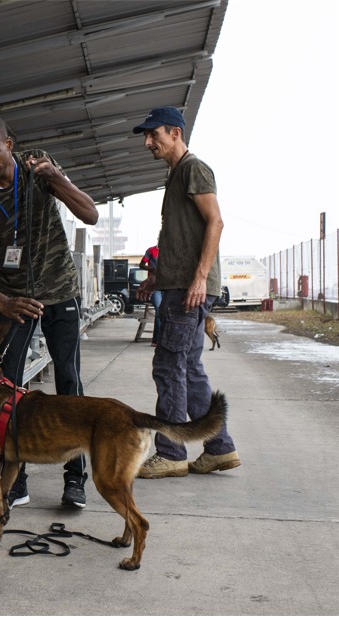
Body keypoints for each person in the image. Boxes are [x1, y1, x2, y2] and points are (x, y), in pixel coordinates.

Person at [0, 114, 99, 508]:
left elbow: (90, 215)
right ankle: (15, 483)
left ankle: (76, 479)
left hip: (61, 293)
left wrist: (56, 179)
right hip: (15, 302)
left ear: (10, 145)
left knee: (69, 385)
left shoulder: (39, 166)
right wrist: (2, 302)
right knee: (7, 389)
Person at [132, 106, 240, 478]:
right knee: (189, 367)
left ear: (175, 133)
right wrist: (156, 276)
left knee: (169, 366)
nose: (149, 143)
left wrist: (199, 278)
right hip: (177, 285)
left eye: (154, 135)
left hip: (188, 290)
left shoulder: (194, 168)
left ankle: (172, 451)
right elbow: (178, 237)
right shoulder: (176, 175)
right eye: (146, 137)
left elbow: (216, 221)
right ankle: (219, 448)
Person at [139, 245, 162, 346]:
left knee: (167, 311)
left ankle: (164, 339)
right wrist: (153, 269)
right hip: (154, 286)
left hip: (169, 286)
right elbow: (142, 265)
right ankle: (156, 340)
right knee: (159, 310)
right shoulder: (151, 250)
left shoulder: (171, 249)